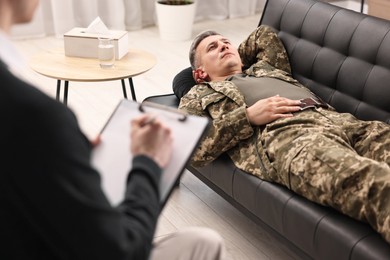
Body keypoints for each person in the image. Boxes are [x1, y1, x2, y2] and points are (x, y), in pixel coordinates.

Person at [0, 0, 227, 259]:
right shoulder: (32, 114)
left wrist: (66, 154)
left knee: (201, 241)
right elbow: (120, 251)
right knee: (204, 242)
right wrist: (148, 161)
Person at [178, 25, 390, 244]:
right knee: (376, 183)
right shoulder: (199, 94)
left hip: (342, 121)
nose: (222, 46)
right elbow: (188, 145)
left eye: (226, 42)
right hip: (292, 138)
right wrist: (247, 116)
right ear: (199, 73)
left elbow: (263, 34)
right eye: (213, 47)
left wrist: (232, 56)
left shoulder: (266, 67)